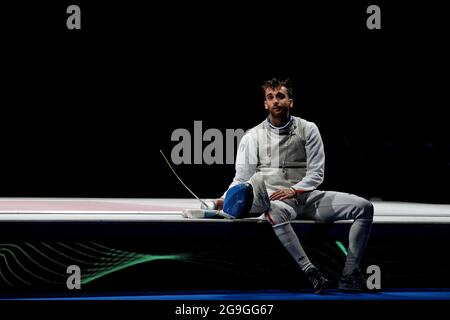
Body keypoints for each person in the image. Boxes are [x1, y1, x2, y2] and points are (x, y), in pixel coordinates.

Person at [212, 78, 374, 294]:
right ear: (265, 104)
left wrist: (295, 189)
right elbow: (241, 178)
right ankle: (311, 272)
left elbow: (317, 173)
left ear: (291, 101)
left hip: (307, 197)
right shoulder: (252, 136)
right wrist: (225, 199)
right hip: (278, 202)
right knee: (272, 211)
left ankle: (349, 275)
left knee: (364, 207)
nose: (275, 101)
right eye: (270, 97)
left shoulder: (308, 129)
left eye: (280, 96)